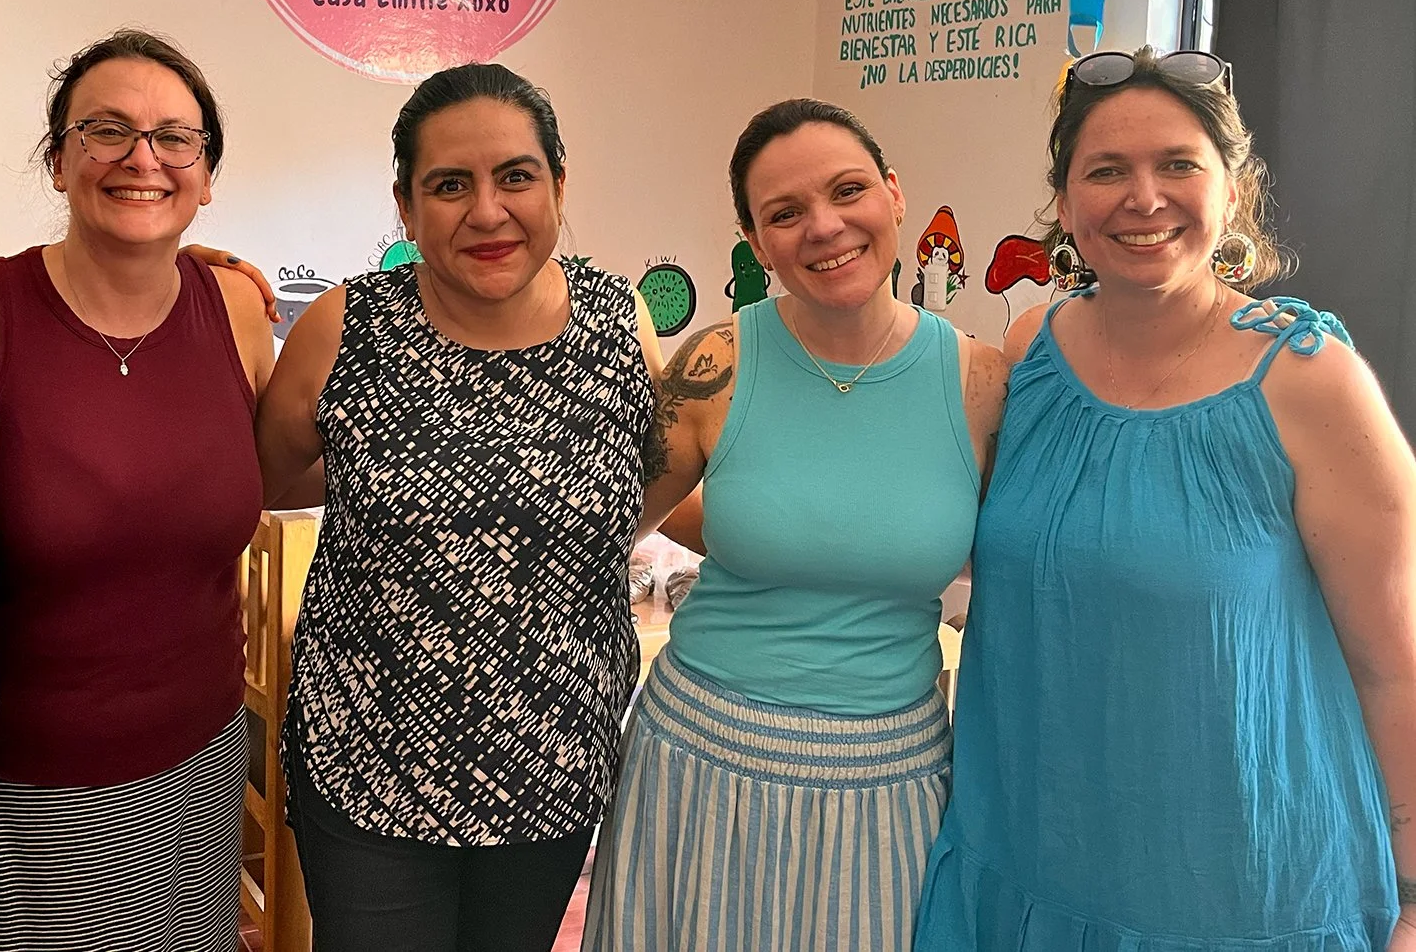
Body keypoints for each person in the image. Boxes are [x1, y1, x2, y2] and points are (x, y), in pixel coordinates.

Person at [915, 47, 1416, 950]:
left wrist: (1415, 898)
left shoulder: (1311, 382)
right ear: (1065, 203)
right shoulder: (1029, 352)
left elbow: (1394, 665)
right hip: (1028, 864)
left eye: (1178, 164)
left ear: (1233, 189)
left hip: (1242, 894)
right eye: (1106, 170)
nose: (1143, 199)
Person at [582, 98, 1008, 952]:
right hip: (699, 759)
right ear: (757, 241)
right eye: (784, 213)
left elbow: (1022, 578)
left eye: (848, 190)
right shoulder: (719, 363)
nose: (824, 227)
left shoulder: (982, 385)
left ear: (894, 194)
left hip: (890, 779)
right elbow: (600, 527)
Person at [255, 62, 663, 952]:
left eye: (516, 176)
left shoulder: (619, 321)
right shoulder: (346, 328)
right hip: (367, 763)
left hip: (552, 759)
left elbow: (655, 486)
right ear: (405, 207)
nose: (487, 211)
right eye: (449, 185)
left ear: (559, 185)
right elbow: (262, 482)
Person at [0, 31, 274, 952]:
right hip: (27, 789)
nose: (143, 158)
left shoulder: (238, 311)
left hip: (202, 767)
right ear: (59, 161)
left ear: (206, 176)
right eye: (107, 130)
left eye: (175, 138)